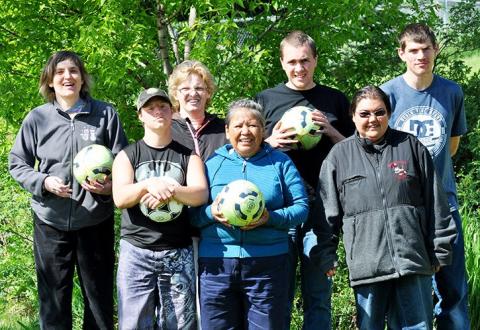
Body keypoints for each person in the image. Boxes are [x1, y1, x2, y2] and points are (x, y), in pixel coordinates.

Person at [308, 85, 457, 329]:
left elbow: (436, 201)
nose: (372, 120)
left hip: (413, 262)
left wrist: (440, 248)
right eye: (364, 114)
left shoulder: (410, 146)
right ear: (353, 116)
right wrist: (325, 255)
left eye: (379, 112)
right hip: (368, 267)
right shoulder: (338, 156)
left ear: (388, 113)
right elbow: (326, 213)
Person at [8, 50, 128, 329]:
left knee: (98, 297)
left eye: (73, 71)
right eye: (60, 72)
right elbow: (17, 162)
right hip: (50, 220)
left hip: (95, 218)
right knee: (53, 299)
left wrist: (110, 187)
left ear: (82, 78)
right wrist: (43, 182)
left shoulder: (105, 114)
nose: (67, 77)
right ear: (49, 80)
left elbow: (123, 160)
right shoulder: (38, 118)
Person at [255, 30, 354, 329]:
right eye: (293, 62)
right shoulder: (265, 100)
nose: (300, 68)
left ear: (316, 61)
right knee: (278, 292)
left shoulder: (334, 99)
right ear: (283, 63)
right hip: (279, 206)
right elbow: (247, 153)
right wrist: (270, 142)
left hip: (323, 207)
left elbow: (356, 151)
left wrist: (331, 132)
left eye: (306, 61)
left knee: (318, 293)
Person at [380, 23, 470, 330]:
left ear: (436, 50)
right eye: (414, 50)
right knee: (410, 289)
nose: (421, 56)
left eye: (426, 49)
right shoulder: (388, 94)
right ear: (401, 54)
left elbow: (451, 146)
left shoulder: (451, 92)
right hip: (403, 204)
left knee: (453, 288)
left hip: (444, 201)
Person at [192, 99, 309, 329]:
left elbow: (302, 208)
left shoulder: (280, 162)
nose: (246, 131)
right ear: (227, 131)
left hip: (268, 263)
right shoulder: (211, 164)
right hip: (217, 265)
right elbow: (191, 215)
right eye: (238, 125)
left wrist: (270, 218)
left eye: (253, 125)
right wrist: (210, 213)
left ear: (263, 130)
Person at [112, 88, 208, 330]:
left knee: (180, 324)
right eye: (150, 108)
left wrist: (170, 190)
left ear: (173, 111)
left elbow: (200, 194)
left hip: (178, 251)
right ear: (140, 116)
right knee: (132, 324)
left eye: (163, 106)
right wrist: (148, 185)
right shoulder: (127, 155)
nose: (158, 112)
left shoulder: (189, 157)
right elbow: (120, 198)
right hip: (136, 251)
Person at [168, 60, 227, 161]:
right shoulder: (166, 130)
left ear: (208, 92)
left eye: (199, 88)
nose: (193, 93)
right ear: (175, 94)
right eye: (185, 89)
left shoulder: (225, 129)